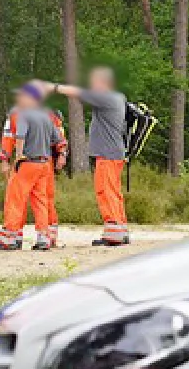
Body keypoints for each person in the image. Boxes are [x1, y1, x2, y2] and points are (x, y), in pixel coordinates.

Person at [37, 67, 131, 246]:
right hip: (115, 153)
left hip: (107, 153)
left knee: (105, 191)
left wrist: (53, 87)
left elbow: (78, 93)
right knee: (115, 191)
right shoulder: (119, 97)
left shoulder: (105, 97)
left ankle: (113, 232)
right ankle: (121, 229)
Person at [0, 84, 65, 251]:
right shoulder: (47, 115)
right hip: (44, 163)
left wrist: (17, 156)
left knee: (15, 198)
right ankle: (43, 237)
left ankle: (9, 236)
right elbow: (58, 138)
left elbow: (19, 136)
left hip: (28, 162)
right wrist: (61, 154)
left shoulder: (23, 114)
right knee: (41, 201)